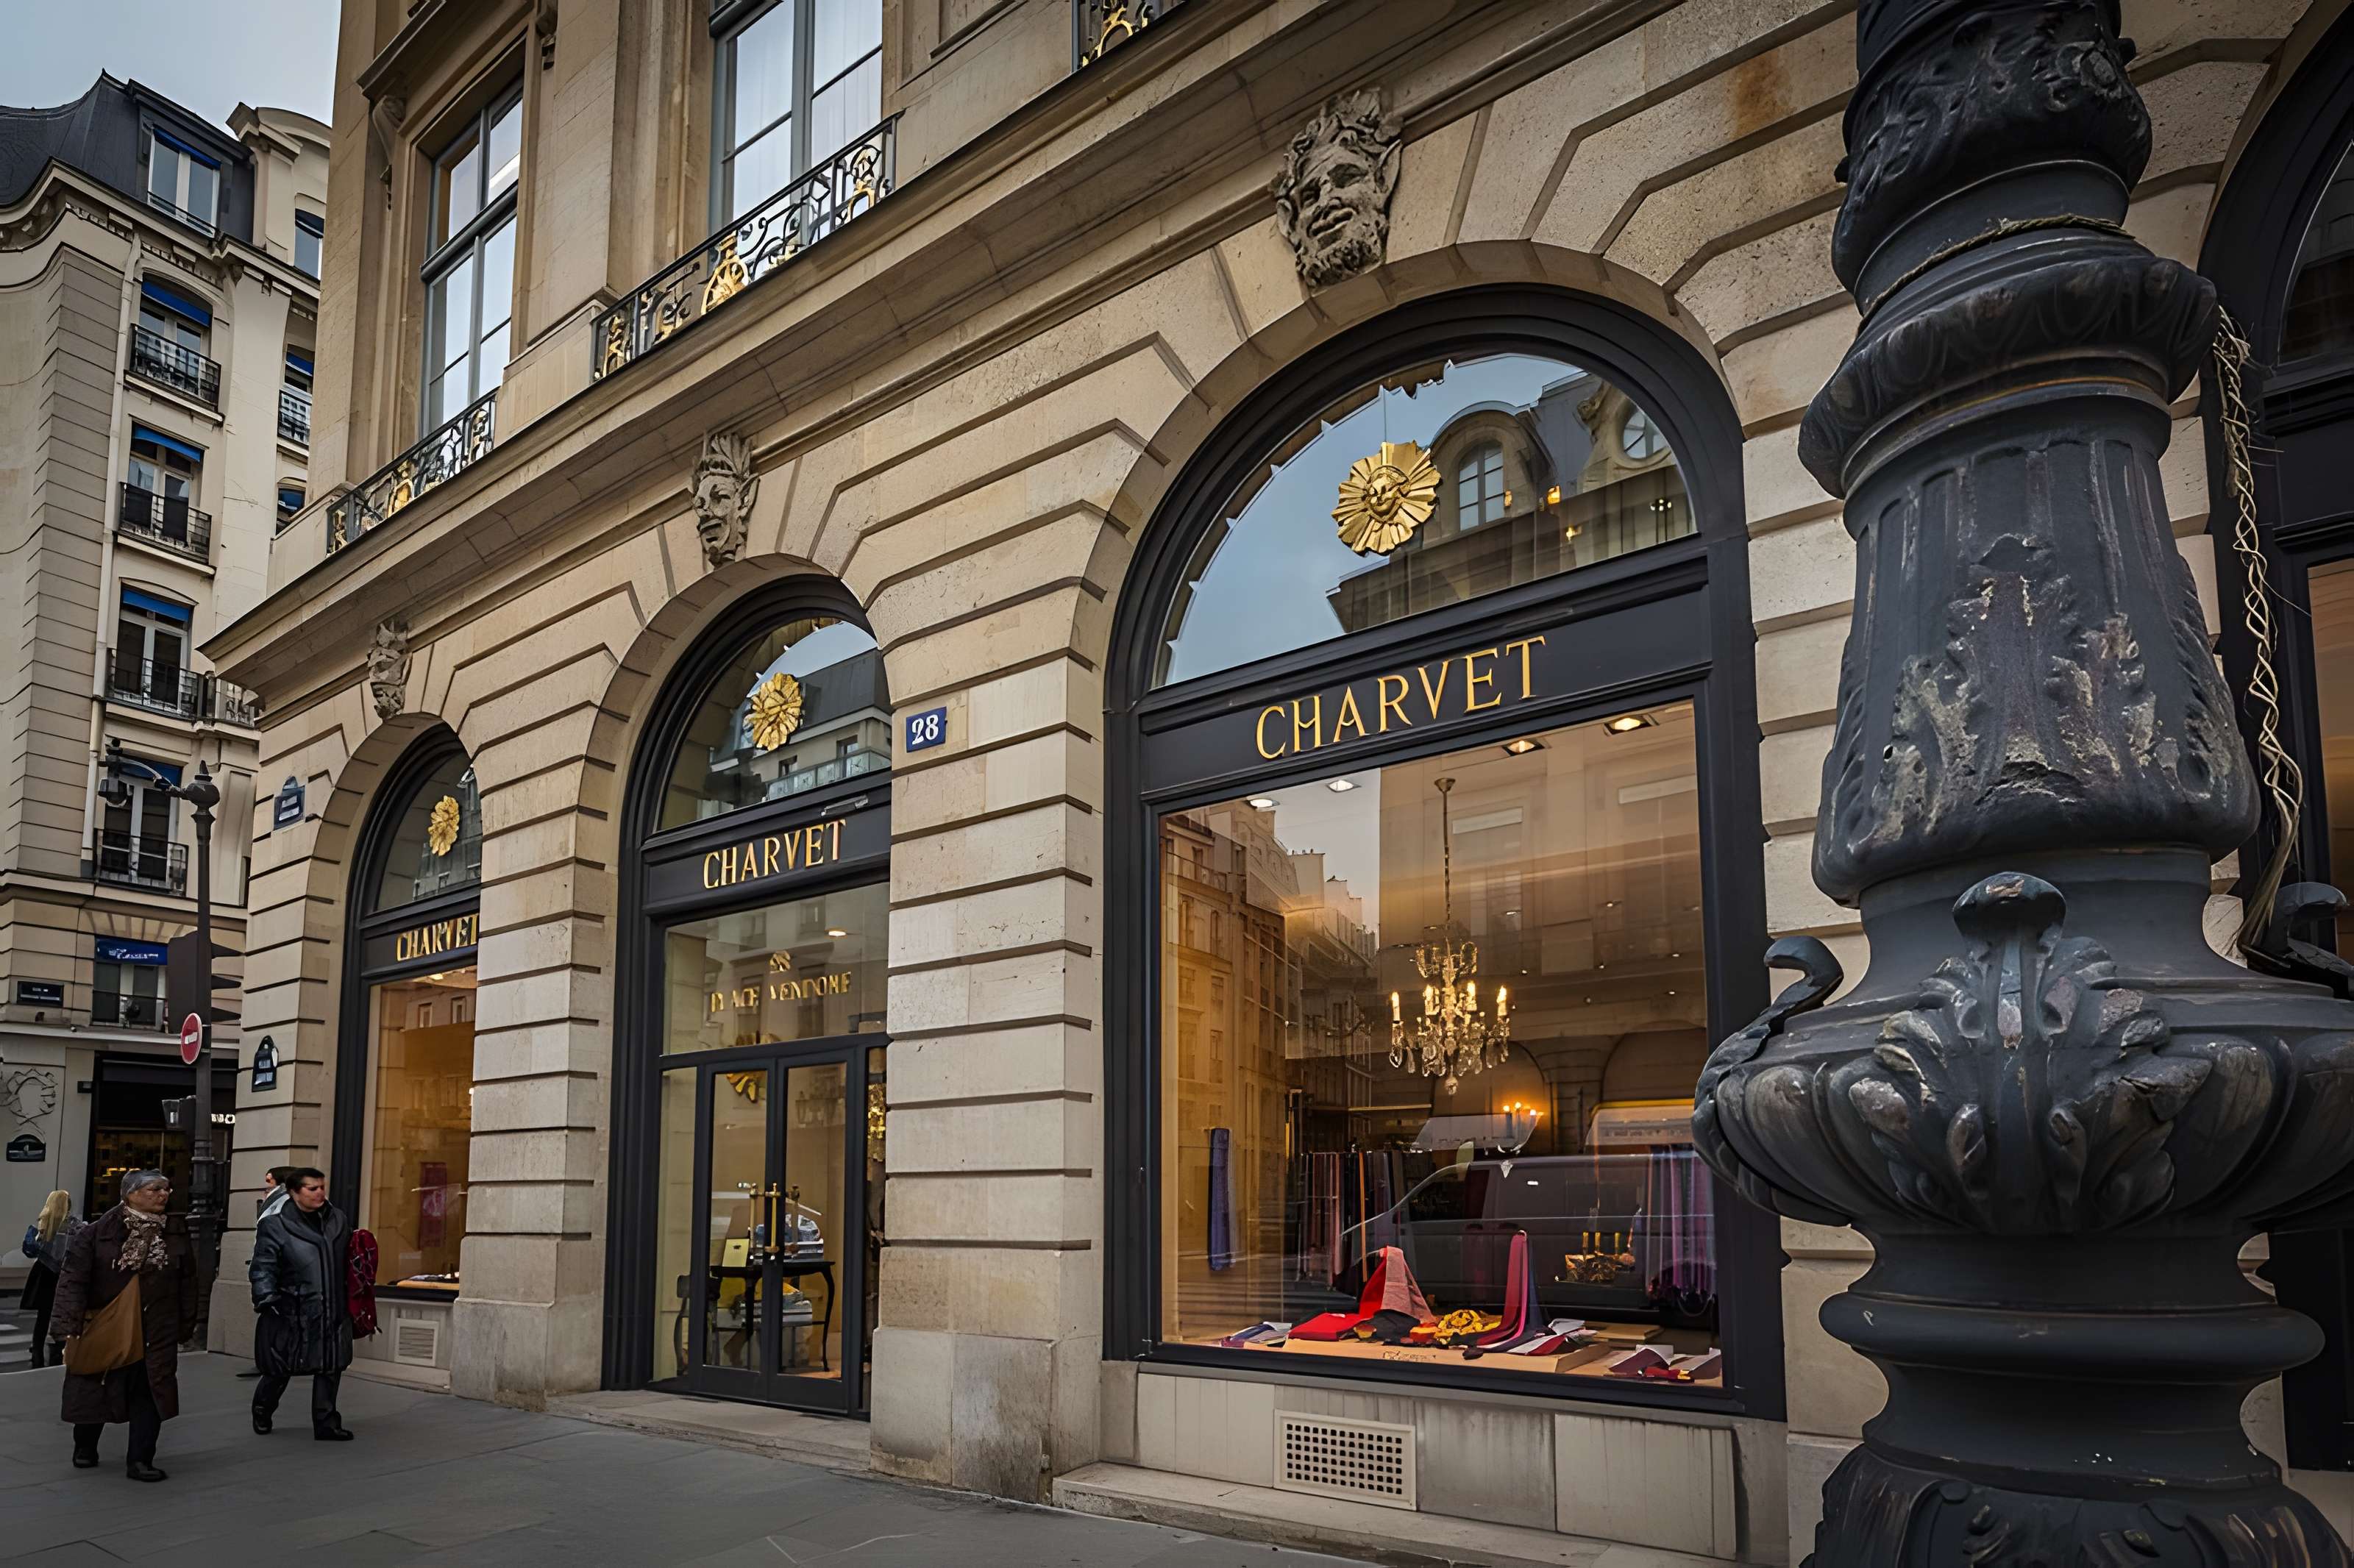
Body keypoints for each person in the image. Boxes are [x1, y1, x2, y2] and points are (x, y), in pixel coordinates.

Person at [50, 1170, 198, 1481]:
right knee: (97, 1387)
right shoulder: (97, 1233)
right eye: (154, 1189)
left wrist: (186, 1323)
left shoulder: (174, 1232)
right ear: (130, 1194)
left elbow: (187, 1281)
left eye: (166, 1189)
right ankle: (85, 1445)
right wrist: (67, 1325)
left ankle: (141, 1460)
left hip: (157, 1329)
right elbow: (73, 1280)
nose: (163, 1195)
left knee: (150, 1392)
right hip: (108, 1325)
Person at [249, 1168, 354, 1440]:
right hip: (291, 1308)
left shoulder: (338, 1220)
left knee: (330, 1366)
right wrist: (266, 1298)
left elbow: (347, 1260)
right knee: (280, 1369)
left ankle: (327, 1423)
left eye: (322, 1187)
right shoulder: (275, 1225)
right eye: (312, 1188)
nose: (319, 1193)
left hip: (332, 1306)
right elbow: (263, 1266)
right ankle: (262, 1409)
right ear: (294, 1192)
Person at [19, 1189, 76, 1367]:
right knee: (62, 1313)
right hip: (65, 1274)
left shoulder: (43, 1226)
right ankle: (59, 1348)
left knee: (43, 1316)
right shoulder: (75, 1227)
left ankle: (37, 1349)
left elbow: (30, 1251)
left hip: (43, 1274)